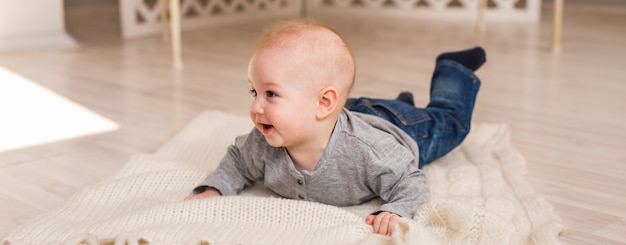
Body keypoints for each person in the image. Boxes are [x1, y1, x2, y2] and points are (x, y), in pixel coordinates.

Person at [185, 20, 486, 236]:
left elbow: (411, 182)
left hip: (397, 126)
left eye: (271, 94)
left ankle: (451, 69)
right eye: (255, 92)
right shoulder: (262, 143)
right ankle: (400, 100)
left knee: (451, 122)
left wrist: (395, 210)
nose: (255, 108)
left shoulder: (369, 151)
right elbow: (237, 161)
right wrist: (215, 187)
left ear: (323, 103)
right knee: (374, 110)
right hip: (345, 111)